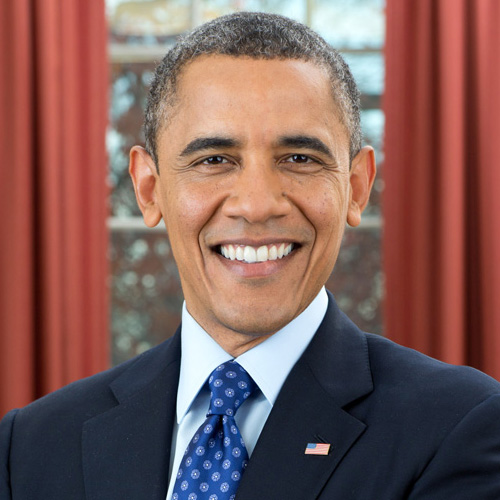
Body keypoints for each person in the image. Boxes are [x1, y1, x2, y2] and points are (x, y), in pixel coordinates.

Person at [1, 12, 500, 500]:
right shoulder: (29, 446)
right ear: (149, 189)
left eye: (299, 159)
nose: (257, 204)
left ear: (356, 186)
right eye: (214, 160)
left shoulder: (459, 426)